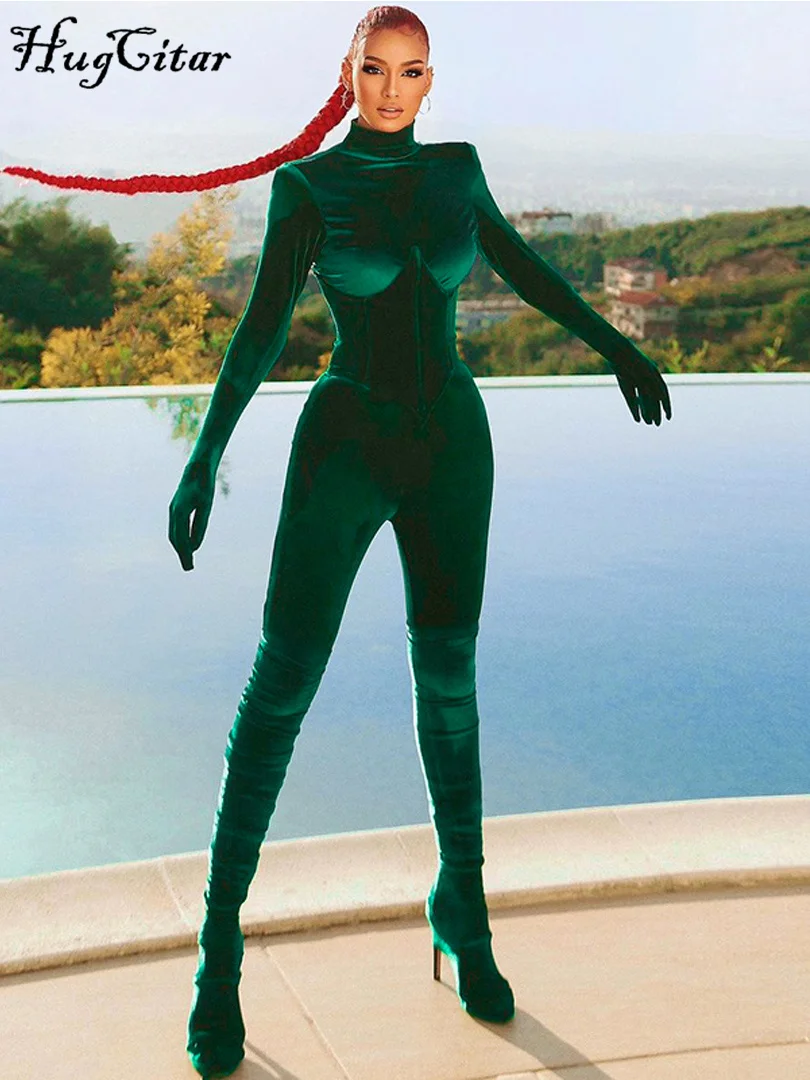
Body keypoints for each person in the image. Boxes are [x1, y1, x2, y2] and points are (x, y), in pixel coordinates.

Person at [6, 6, 671, 1076]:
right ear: (348, 73)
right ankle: (218, 947)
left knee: (450, 681)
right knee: (282, 686)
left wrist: (615, 350)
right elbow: (262, 326)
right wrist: (203, 456)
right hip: (345, 444)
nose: (392, 89)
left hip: (452, 444)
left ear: (430, 80)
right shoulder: (307, 187)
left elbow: (526, 269)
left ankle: (464, 911)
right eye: (375, 69)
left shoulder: (458, 171)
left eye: (411, 71)